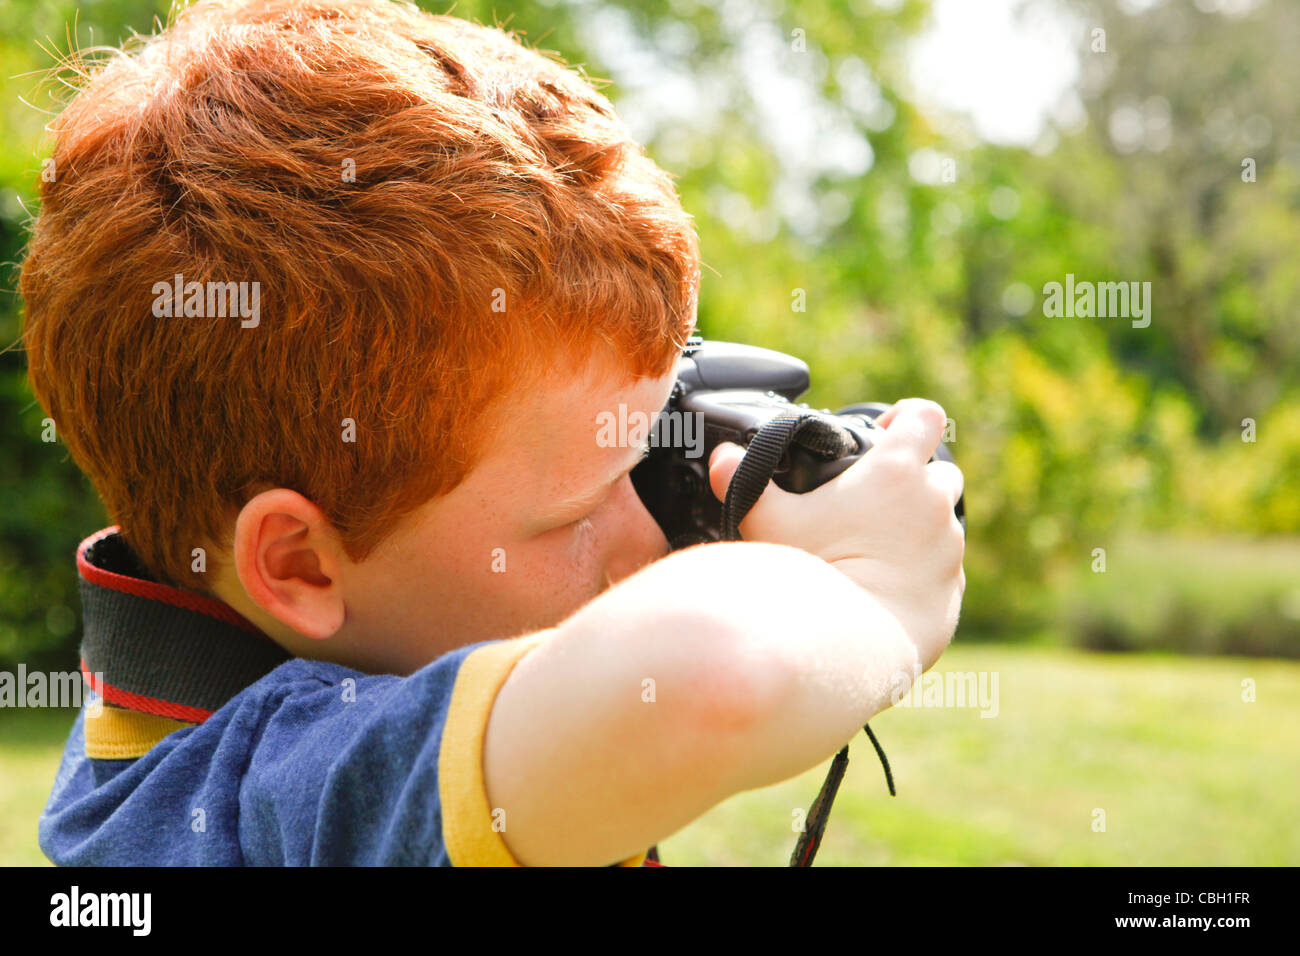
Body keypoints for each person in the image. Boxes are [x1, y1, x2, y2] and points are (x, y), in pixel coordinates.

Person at [22, 0, 964, 866]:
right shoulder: (246, 804)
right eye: (577, 511)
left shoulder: (192, 685)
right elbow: (710, 685)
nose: (646, 544)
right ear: (302, 563)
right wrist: (877, 601)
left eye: (647, 446)